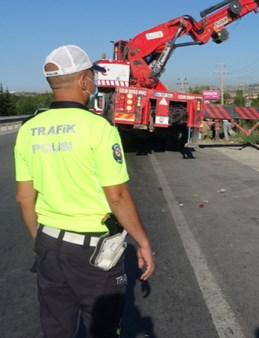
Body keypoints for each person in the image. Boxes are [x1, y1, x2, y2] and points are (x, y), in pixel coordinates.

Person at [14, 45, 155, 337]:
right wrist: (142, 242)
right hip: (92, 252)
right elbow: (116, 195)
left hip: (48, 245)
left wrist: (40, 241)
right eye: (92, 76)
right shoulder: (98, 128)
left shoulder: (29, 129)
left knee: (56, 326)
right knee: (102, 328)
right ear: (82, 81)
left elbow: (24, 197)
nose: (94, 82)